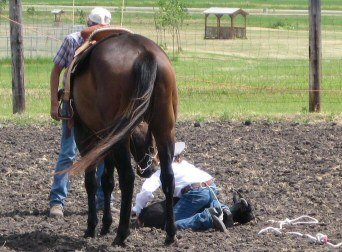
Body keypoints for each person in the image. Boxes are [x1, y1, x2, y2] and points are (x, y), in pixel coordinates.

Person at [49, 7, 112, 218]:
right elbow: (56, 70)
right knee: (68, 154)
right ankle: (57, 201)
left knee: (102, 154)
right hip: (72, 105)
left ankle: (104, 201)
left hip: (98, 109)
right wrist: (53, 102)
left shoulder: (110, 44)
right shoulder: (72, 40)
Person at [132, 142, 255, 232]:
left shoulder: (162, 171)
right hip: (210, 186)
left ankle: (208, 218)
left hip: (195, 193)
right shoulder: (185, 164)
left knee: (171, 224)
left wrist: (137, 209)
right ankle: (234, 210)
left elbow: (147, 191)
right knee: (205, 205)